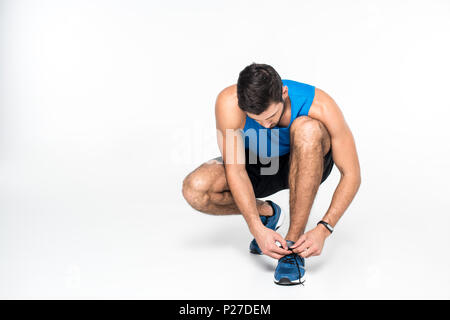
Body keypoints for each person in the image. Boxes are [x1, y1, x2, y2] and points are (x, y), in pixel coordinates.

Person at [182, 63, 361, 285]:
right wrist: (256, 227)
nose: (265, 126)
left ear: (283, 93)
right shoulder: (228, 104)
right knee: (196, 188)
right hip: (260, 161)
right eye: (256, 120)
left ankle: (292, 247)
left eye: (271, 117)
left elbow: (351, 174)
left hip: (309, 158)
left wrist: (325, 228)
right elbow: (236, 170)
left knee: (307, 128)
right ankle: (268, 214)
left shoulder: (321, 105)